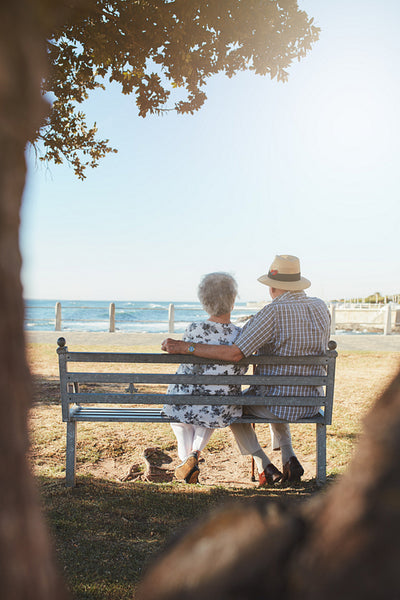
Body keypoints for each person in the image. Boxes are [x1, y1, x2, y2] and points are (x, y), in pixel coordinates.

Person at [162, 255, 331, 486]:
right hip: (311, 401)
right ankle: (288, 456)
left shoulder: (272, 312)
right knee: (277, 391)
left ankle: (264, 464)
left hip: (278, 402)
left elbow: (235, 353)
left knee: (235, 407)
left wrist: (186, 346)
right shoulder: (321, 307)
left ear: (272, 287)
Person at [162, 272, 247, 484]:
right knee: (207, 415)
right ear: (232, 301)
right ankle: (194, 454)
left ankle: (186, 459)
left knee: (181, 421)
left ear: (204, 302)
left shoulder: (193, 329)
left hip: (184, 398)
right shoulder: (240, 334)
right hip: (221, 404)